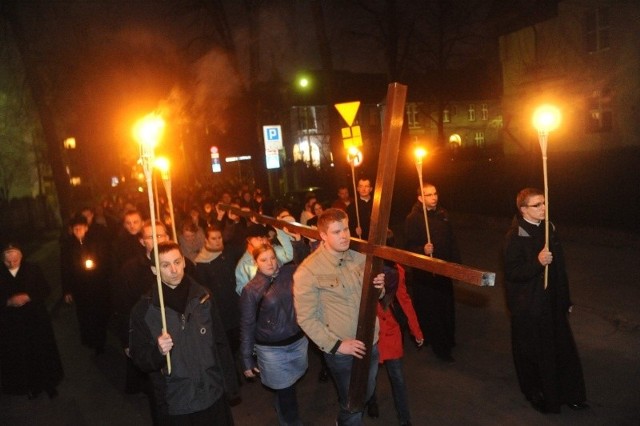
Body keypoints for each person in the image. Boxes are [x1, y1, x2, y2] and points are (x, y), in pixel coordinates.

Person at [129, 241, 238, 425]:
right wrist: (158, 352)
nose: (174, 269)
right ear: (155, 270)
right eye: (165, 265)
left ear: (184, 262)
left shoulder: (203, 297)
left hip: (213, 394)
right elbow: (139, 358)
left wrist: (231, 386)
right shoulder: (144, 311)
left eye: (177, 262)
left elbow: (220, 343)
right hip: (179, 403)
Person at [293, 208, 386, 425]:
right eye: (336, 232)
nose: (344, 235)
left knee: (364, 394)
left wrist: (379, 288)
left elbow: (375, 295)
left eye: (346, 228)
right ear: (323, 236)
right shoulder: (308, 271)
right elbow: (305, 318)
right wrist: (336, 345)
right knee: (353, 403)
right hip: (343, 353)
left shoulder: (360, 257)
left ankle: (342, 420)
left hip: (370, 342)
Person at [503, 188, 588, 414]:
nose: (543, 208)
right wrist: (537, 262)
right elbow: (512, 273)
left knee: (562, 349)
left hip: (552, 303)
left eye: (544, 203)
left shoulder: (549, 228)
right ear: (523, 210)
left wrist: (566, 299)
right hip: (530, 307)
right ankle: (541, 395)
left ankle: (572, 393)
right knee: (537, 354)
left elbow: (560, 269)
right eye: (537, 205)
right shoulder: (515, 235)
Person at [240, 244, 308, 426]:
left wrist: (296, 241)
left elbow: (308, 264)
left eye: (272, 257)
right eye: (264, 259)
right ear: (255, 262)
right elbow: (247, 325)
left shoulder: (290, 272)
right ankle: (292, 422)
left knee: (288, 386)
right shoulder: (251, 289)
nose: (270, 263)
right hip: (272, 350)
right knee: (286, 391)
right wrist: (247, 359)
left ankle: (282, 407)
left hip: (298, 341)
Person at [367, 242, 424, 425]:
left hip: (391, 331)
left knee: (397, 378)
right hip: (371, 330)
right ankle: (372, 401)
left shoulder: (397, 271)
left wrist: (417, 331)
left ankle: (404, 418)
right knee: (370, 374)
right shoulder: (365, 267)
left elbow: (405, 301)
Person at [112, 220, 170, 396]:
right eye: (151, 237)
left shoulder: (182, 264)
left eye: (160, 235)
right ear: (142, 241)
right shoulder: (130, 270)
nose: (157, 240)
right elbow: (122, 308)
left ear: (168, 237)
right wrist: (127, 340)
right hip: (148, 336)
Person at [404, 183, 460, 362]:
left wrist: (456, 266)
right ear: (420, 198)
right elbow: (408, 248)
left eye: (435, 193)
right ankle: (440, 347)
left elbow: (452, 241)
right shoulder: (413, 219)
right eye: (428, 195)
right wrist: (422, 249)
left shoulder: (443, 215)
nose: (434, 197)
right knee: (431, 310)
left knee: (446, 307)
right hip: (426, 274)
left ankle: (448, 339)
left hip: (443, 270)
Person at [0, 243, 63, 399]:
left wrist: (28, 296)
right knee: (23, 355)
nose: (12, 261)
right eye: (8, 258)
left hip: (36, 319)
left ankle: (49, 384)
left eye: (15, 257)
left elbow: (45, 289)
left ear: (21, 255)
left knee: (42, 351)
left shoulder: (32, 269)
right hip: (13, 323)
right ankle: (31, 386)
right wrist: (8, 302)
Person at [61, 213, 112, 355]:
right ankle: (90, 339)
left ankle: (100, 340)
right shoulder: (67, 246)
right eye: (75, 229)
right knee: (85, 315)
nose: (78, 231)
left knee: (99, 313)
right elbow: (65, 268)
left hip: (97, 285)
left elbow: (104, 259)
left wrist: (96, 265)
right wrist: (67, 290)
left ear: (86, 228)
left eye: (81, 228)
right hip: (80, 287)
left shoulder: (95, 241)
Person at [195, 225, 242, 359]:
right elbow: (203, 289)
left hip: (235, 303)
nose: (217, 241)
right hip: (220, 310)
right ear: (206, 240)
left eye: (219, 238)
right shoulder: (201, 263)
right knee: (229, 346)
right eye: (213, 238)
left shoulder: (228, 252)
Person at [235, 223, 293, 295]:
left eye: (264, 238)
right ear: (249, 240)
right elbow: (241, 290)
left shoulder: (273, 250)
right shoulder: (244, 264)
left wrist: (280, 231)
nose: (262, 241)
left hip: (283, 292)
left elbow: (289, 255)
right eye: (258, 239)